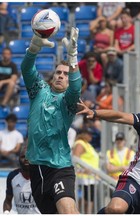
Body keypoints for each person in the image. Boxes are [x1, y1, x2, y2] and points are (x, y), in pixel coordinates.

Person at [20, 27, 82, 214]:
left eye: (65, 74)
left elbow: (76, 87)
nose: (61, 76)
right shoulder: (39, 91)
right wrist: (34, 47)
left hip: (60, 167)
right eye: (58, 73)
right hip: (37, 168)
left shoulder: (69, 100)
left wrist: (72, 57)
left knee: (67, 211)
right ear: (52, 76)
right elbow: (26, 68)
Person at [3, 142, 40, 214]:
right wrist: (6, 213)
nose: (26, 159)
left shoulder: (41, 176)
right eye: (23, 157)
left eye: (29, 156)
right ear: (18, 159)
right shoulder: (12, 176)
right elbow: (8, 200)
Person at [73, 128, 100, 214]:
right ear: (83, 134)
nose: (91, 136)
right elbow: (75, 159)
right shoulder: (80, 143)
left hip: (90, 177)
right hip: (84, 178)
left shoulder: (87, 144)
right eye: (89, 134)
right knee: (87, 199)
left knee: (89, 198)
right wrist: (84, 170)